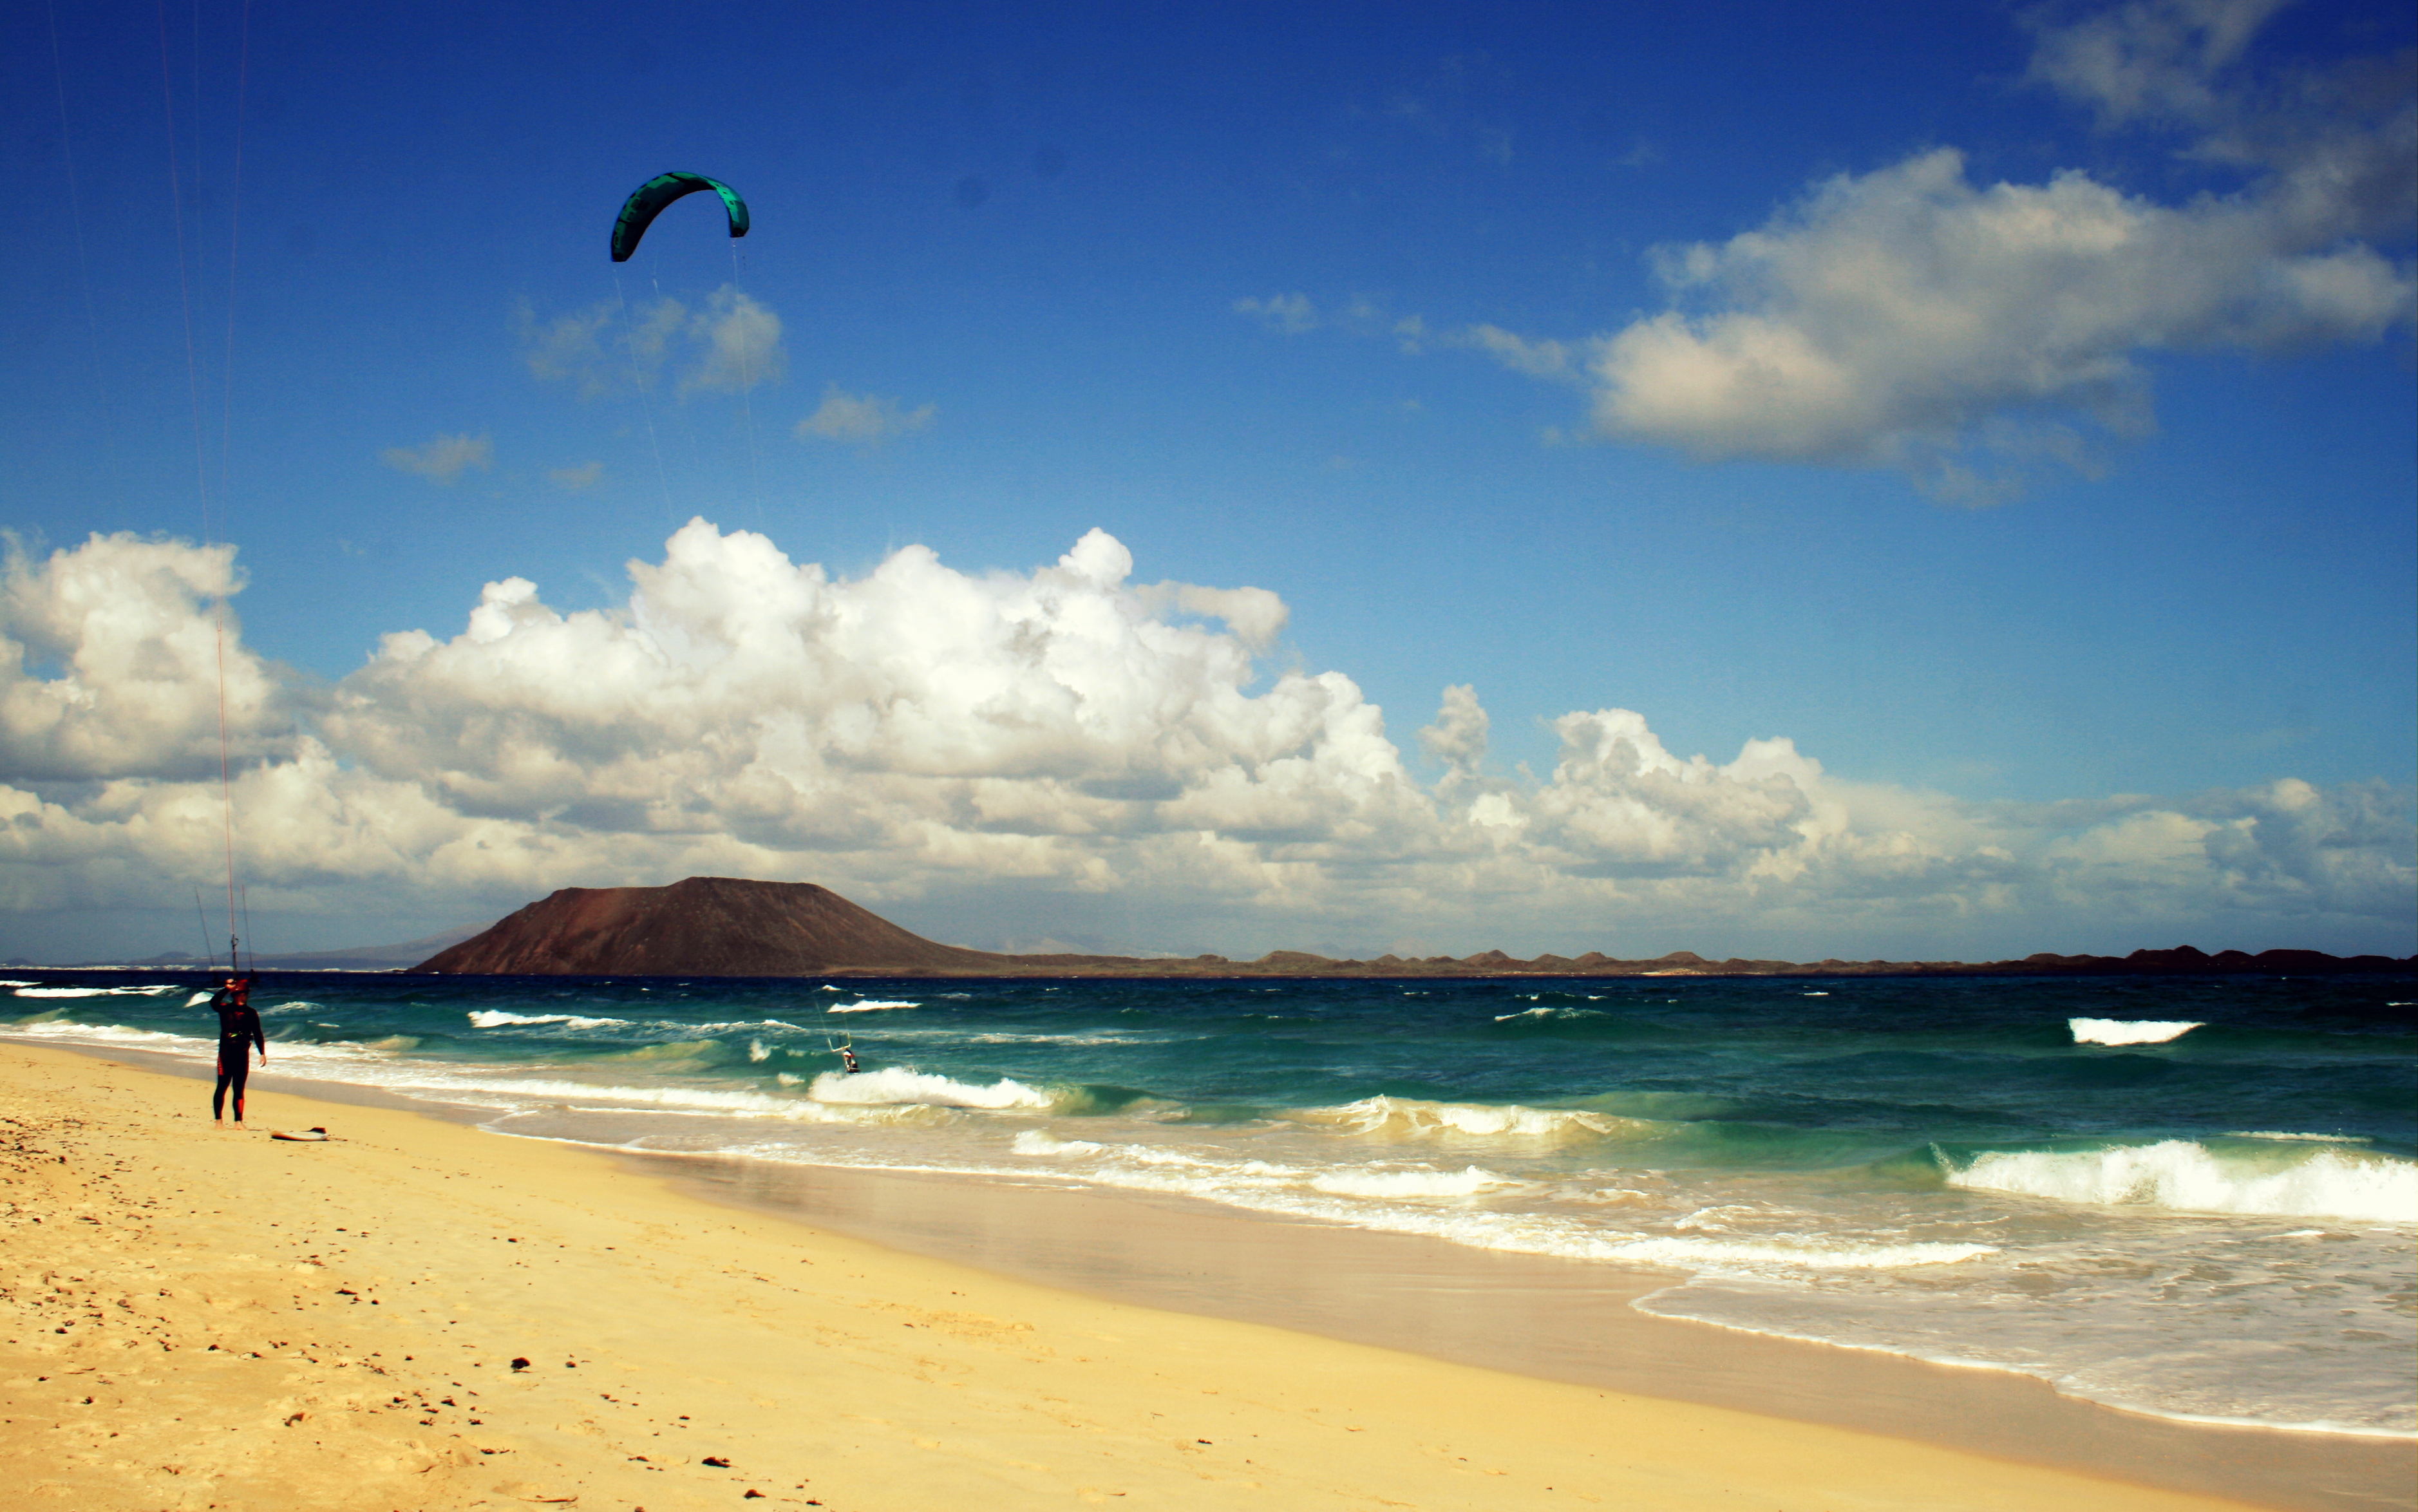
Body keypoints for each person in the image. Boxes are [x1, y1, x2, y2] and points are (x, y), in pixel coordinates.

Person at [209, 976, 265, 1126]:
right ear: (234, 995)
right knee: (222, 1086)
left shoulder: (251, 1013)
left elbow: (258, 1033)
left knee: (239, 1089)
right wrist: (227, 988)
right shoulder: (225, 1009)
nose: (243, 997)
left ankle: (238, 1122)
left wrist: (262, 1053)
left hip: (242, 1053)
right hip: (226, 1053)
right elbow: (213, 1003)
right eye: (240, 994)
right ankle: (218, 1121)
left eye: (245, 994)